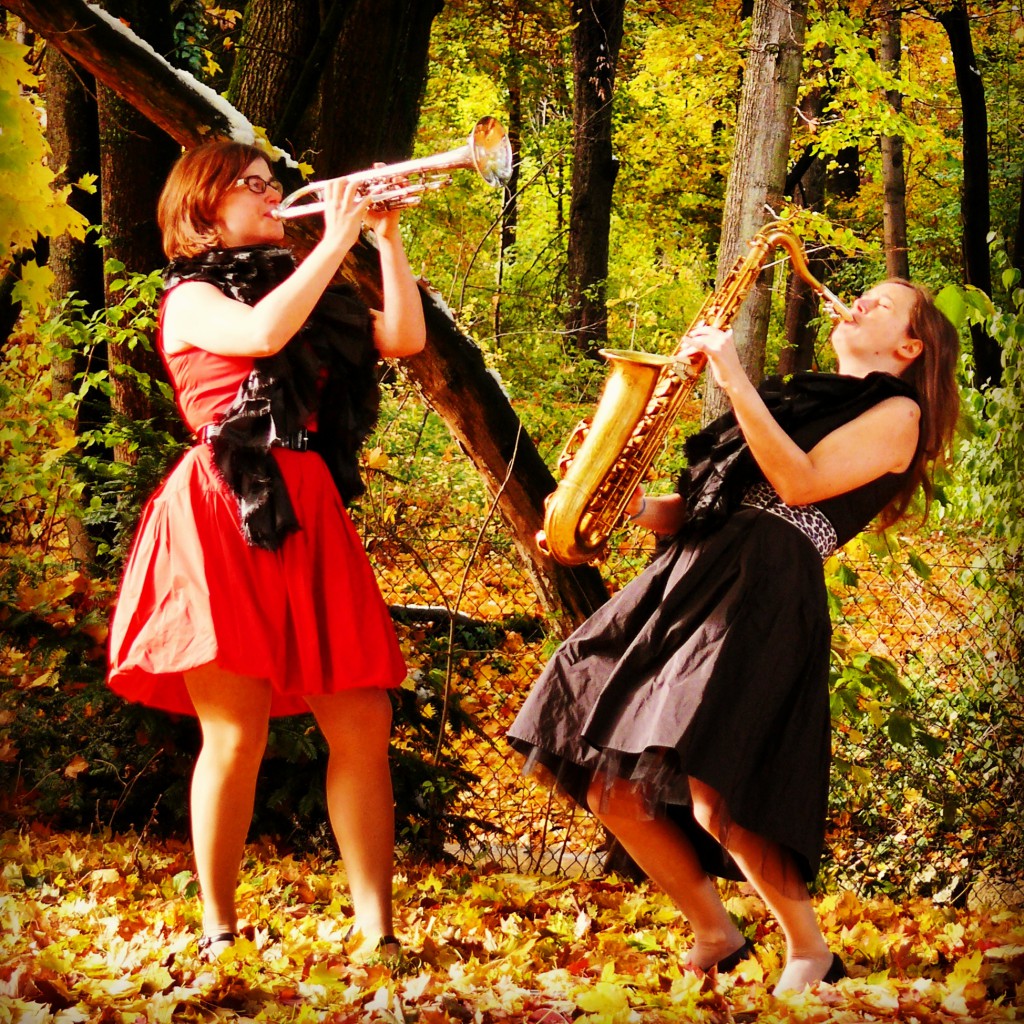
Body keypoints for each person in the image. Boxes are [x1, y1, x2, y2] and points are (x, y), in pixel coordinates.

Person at [508, 280, 960, 992]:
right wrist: (608, 499)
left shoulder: (900, 412)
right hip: (693, 568)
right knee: (605, 777)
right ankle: (716, 933)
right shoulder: (796, 397)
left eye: (880, 302)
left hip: (765, 587)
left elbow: (801, 481)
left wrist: (730, 373)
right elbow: (695, 509)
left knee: (715, 788)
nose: (857, 301)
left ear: (910, 348)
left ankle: (809, 950)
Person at [107, 140, 426, 962]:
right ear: (203, 205)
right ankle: (219, 926)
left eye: (275, 184)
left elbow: (403, 337)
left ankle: (377, 932)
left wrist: (383, 241)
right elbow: (256, 335)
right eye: (253, 186)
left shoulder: (305, 288)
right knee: (236, 733)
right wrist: (330, 243)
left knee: (364, 718)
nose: (273, 196)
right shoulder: (192, 296)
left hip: (308, 501)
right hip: (226, 499)